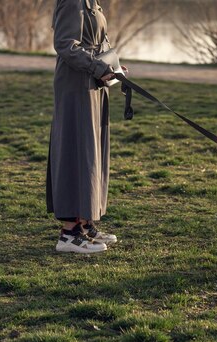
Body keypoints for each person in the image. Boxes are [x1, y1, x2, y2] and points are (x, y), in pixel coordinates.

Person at [46, 0, 122, 254]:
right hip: (76, 86)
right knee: (76, 149)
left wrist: (113, 67)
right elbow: (65, 45)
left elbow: (101, 40)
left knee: (91, 150)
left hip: (93, 83)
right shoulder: (71, 2)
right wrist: (98, 67)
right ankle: (69, 233)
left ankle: (86, 223)